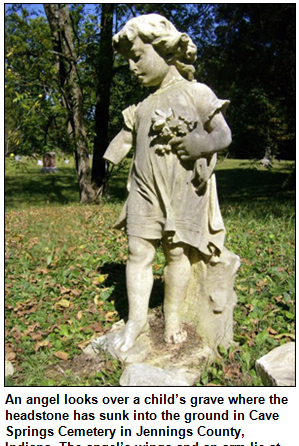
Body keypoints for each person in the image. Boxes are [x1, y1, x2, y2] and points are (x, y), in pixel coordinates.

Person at [103, 14, 231, 352]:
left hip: (182, 188)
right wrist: (114, 150)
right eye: (129, 59)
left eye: (138, 56)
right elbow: (123, 144)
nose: (132, 66)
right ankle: (137, 320)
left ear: (164, 49)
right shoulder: (142, 106)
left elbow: (222, 135)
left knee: (176, 252)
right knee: (138, 251)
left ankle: (172, 315)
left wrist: (196, 145)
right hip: (144, 188)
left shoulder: (196, 92)